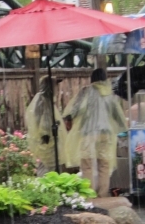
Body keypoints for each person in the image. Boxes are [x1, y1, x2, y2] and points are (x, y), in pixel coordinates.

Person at [63, 68, 127, 197]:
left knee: (87, 165)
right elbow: (119, 117)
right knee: (104, 165)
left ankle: (90, 194)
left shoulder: (85, 92)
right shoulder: (110, 94)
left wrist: (69, 121)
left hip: (88, 134)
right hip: (106, 134)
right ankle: (102, 194)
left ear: (92, 79)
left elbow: (73, 111)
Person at [26, 75, 65, 175]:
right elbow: (44, 121)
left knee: (49, 166)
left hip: (48, 139)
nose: (57, 89)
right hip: (48, 140)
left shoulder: (45, 100)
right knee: (49, 167)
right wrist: (47, 133)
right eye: (55, 86)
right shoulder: (43, 100)